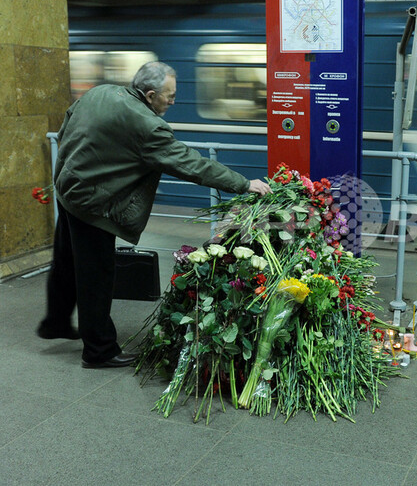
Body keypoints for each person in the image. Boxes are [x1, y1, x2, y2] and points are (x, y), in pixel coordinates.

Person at [37, 61, 271, 368]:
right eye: (169, 96)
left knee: (66, 262)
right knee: (96, 276)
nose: (173, 102)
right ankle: (99, 350)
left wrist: (67, 172)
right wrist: (243, 183)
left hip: (69, 191)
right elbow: (191, 164)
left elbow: (66, 128)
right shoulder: (148, 126)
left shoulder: (100, 93)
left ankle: (55, 323)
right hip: (95, 205)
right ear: (150, 95)